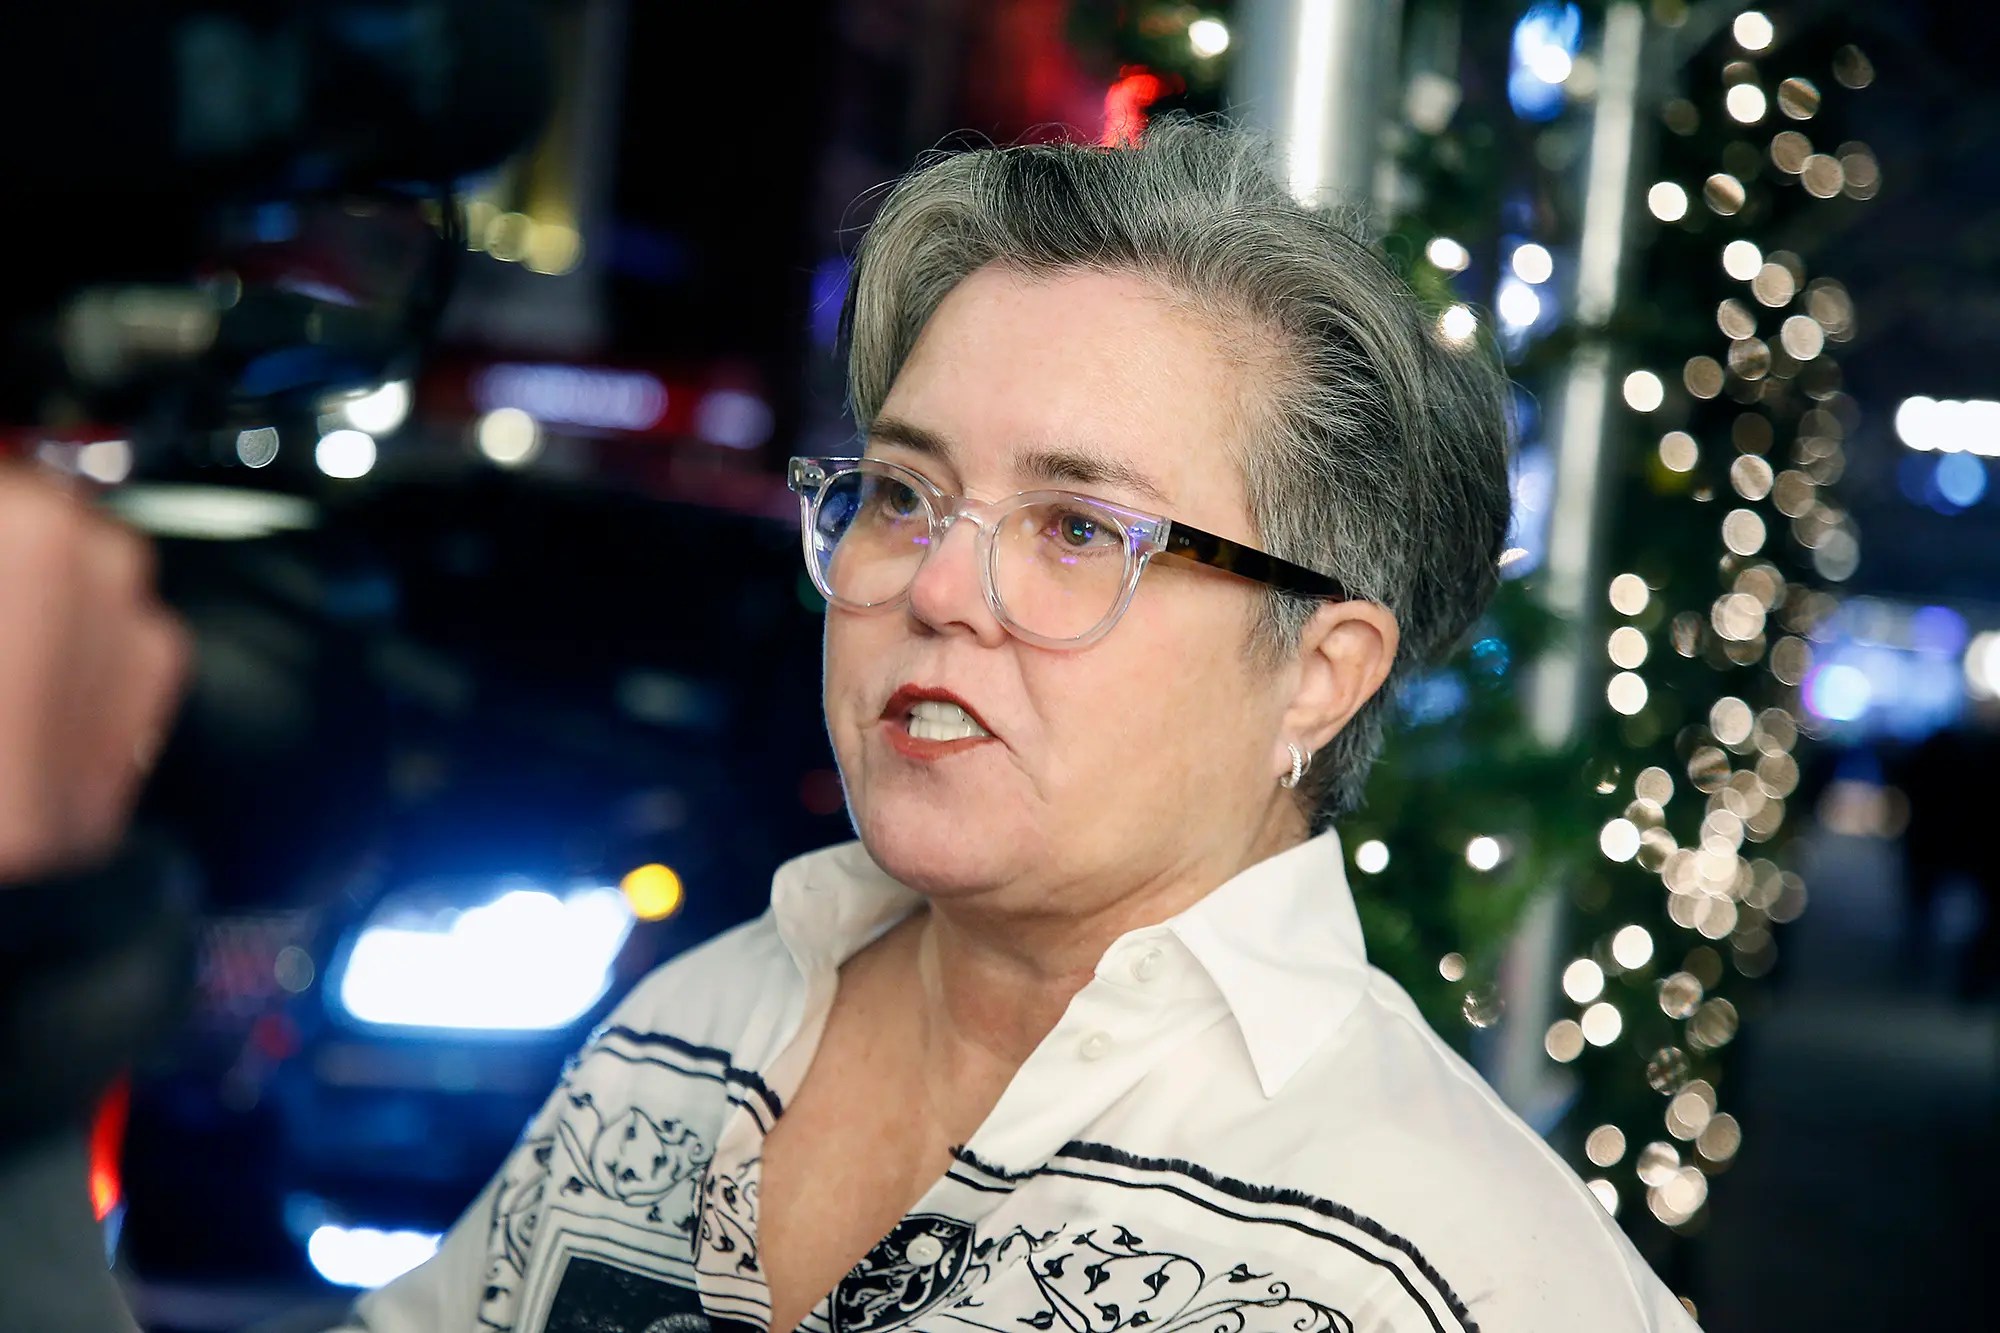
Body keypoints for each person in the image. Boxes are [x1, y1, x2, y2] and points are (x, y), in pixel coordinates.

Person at [0, 119, 1700, 1332]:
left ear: (1321, 671)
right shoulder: (697, 1027)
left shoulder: (1440, 1270)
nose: (936, 587)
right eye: (901, 491)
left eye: (1077, 527)